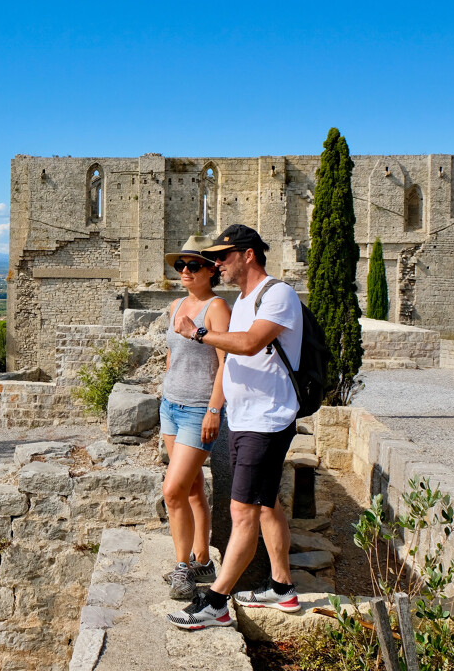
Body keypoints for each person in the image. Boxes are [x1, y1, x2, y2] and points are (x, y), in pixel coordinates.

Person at [166, 224, 303, 630]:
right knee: (266, 503)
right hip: (245, 419)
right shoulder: (244, 300)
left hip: (268, 419)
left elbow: (248, 345)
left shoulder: (277, 294)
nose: (217, 264)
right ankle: (281, 587)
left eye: (222, 257)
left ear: (247, 255)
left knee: (242, 510)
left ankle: (216, 602)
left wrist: (200, 333)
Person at [160, 237, 231, 600]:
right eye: (180, 266)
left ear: (211, 271)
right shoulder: (176, 305)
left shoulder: (216, 308)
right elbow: (173, 355)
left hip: (197, 411)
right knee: (189, 490)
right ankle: (202, 558)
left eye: (193, 266)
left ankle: (182, 569)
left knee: (171, 491)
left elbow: (226, 364)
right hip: (171, 407)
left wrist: (214, 409)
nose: (185, 271)